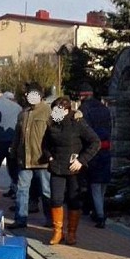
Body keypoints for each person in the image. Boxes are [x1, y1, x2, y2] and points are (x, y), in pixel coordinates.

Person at [42, 96, 100, 245]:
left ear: (66, 110)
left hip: (75, 169)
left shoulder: (78, 123)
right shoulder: (52, 124)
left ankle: (72, 232)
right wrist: (49, 157)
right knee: (55, 199)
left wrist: (81, 160)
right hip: (57, 167)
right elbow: (45, 145)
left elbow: (95, 142)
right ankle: (57, 232)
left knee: (74, 201)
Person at [7, 83, 52, 230]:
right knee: (22, 189)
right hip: (24, 159)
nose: (28, 97)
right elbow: (17, 135)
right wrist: (13, 152)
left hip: (42, 160)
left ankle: (50, 219)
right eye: (27, 95)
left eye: (31, 94)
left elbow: (65, 122)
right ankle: (21, 219)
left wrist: (77, 114)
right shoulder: (23, 113)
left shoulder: (49, 111)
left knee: (46, 191)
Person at [78, 82, 112, 228]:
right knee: (101, 185)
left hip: (91, 150)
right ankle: (97, 210)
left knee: (93, 184)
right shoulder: (104, 108)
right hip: (106, 149)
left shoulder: (84, 109)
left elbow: (83, 132)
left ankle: (99, 214)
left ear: (84, 95)